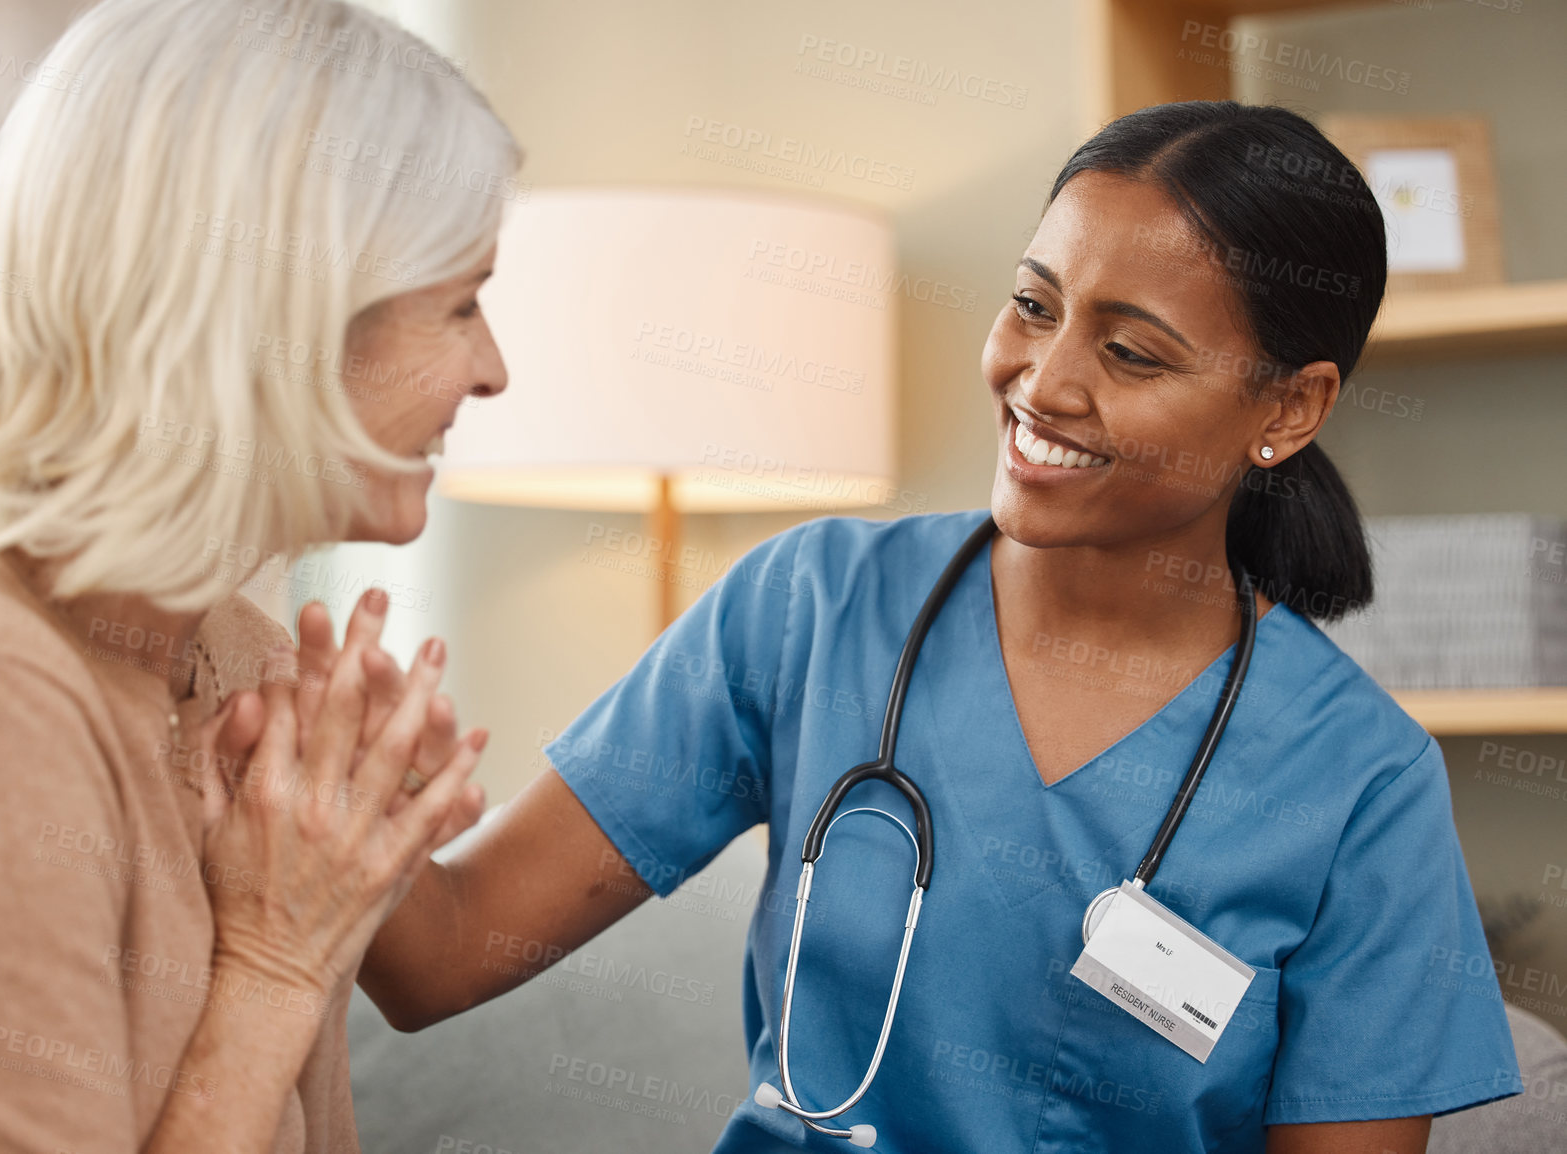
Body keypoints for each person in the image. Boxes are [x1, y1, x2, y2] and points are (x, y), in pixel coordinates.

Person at [346, 101, 1523, 1153]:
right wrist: (337, 802)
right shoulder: (809, 605)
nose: (1043, 381)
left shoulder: (1361, 782)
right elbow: (441, 955)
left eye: (1129, 351)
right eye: (1031, 305)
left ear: (1288, 406)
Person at [0, 0, 509, 1149]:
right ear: (284, 314)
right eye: (460, 302)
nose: (491, 369)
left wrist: (333, 902)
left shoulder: (233, 660)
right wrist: (277, 958)